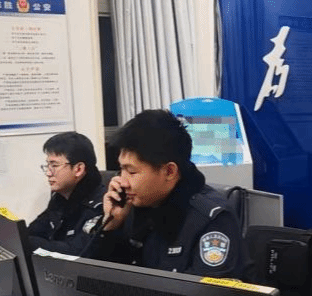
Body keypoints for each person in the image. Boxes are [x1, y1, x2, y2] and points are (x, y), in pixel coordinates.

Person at [87, 109, 252, 280]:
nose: (123, 181)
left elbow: (206, 293)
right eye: (121, 169)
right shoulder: (130, 206)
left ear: (169, 171)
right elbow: (92, 280)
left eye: (132, 172)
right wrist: (109, 227)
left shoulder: (211, 220)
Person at [26, 132, 106, 254]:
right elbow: (32, 231)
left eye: (54, 165)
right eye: (48, 165)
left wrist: (29, 243)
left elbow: (76, 253)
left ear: (78, 169)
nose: (48, 173)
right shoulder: (61, 196)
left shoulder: (100, 205)